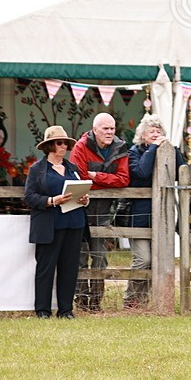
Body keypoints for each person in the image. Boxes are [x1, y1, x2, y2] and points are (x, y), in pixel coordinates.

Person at [24, 125, 90, 319]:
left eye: (66, 143)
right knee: (45, 268)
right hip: (50, 225)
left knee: (69, 268)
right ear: (49, 146)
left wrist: (85, 200)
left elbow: (81, 190)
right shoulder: (37, 169)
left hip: (74, 222)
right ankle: (43, 310)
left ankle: (66, 310)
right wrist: (52, 201)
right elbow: (29, 197)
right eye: (59, 143)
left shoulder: (73, 168)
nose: (64, 146)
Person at [123, 115, 186, 308]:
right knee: (143, 259)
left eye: (159, 131)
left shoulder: (165, 150)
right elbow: (141, 172)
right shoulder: (134, 152)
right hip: (138, 216)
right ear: (142, 134)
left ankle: (144, 300)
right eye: (152, 131)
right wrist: (152, 149)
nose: (156, 134)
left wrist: (172, 149)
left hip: (162, 216)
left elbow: (181, 171)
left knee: (157, 261)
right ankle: (131, 299)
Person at [70, 112, 129, 312]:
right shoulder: (80, 147)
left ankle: (95, 303)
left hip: (104, 210)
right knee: (79, 257)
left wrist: (96, 176)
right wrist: (106, 179)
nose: (110, 132)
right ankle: (81, 301)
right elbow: (79, 178)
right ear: (95, 129)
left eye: (112, 128)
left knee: (100, 257)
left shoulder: (120, 148)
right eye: (105, 128)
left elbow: (124, 179)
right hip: (80, 208)